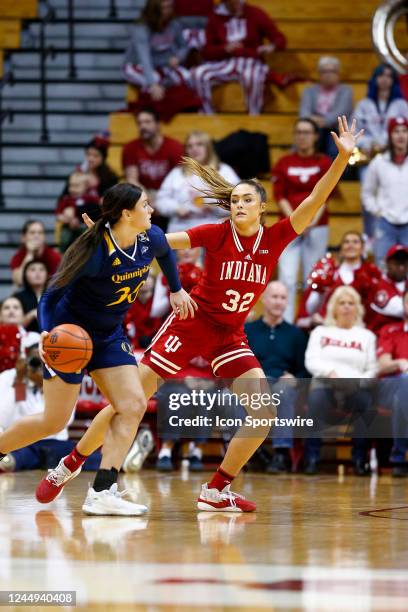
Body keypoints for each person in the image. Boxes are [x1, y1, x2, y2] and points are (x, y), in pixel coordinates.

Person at [37, 116, 364, 514]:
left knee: (263, 414)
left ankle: (215, 489)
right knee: (131, 400)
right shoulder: (216, 232)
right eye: (235, 199)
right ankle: (70, 463)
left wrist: (341, 159)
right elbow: (156, 239)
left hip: (230, 334)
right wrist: (108, 234)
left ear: (262, 207)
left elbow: (315, 199)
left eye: (247, 199)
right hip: (191, 321)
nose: (239, 204)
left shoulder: (277, 237)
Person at [0, 183, 196, 516]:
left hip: (108, 336)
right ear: (126, 214)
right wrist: (48, 334)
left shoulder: (152, 238)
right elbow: (49, 295)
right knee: (53, 420)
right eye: (146, 205)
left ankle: (102, 490)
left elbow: (165, 254)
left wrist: (176, 289)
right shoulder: (93, 252)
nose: (152, 210)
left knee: (133, 404)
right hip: (70, 337)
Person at [303, 286, 377, 475]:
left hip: (355, 386)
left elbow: (373, 368)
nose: (346, 307)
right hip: (326, 382)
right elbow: (311, 360)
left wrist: (356, 381)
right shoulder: (320, 332)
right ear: (334, 308)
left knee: (367, 404)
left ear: (358, 308)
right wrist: (330, 372)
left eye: (350, 303)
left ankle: (360, 459)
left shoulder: (367, 336)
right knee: (316, 400)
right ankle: (311, 458)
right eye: (341, 303)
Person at [272, 118, 333, 322]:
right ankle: (286, 322)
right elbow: (279, 196)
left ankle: (308, 321)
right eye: (298, 132)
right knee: (287, 277)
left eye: (307, 132)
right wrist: (296, 220)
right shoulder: (284, 163)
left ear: (315, 136)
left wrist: (310, 221)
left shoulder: (323, 162)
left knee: (313, 278)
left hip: (317, 226)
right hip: (288, 226)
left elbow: (325, 194)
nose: (302, 136)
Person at [245, 281, 309, 473]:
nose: (278, 302)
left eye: (283, 298)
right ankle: (251, 451)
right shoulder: (248, 331)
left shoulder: (296, 335)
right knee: (235, 394)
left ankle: (281, 454)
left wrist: (295, 378)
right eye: (274, 297)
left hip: (282, 382)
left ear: (287, 302)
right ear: (263, 299)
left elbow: (304, 370)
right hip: (255, 381)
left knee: (284, 390)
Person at [191, 0, 286, 115]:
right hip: (225, 62)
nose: (238, 4)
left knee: (251, 76)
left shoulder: (254, 13)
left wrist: (271, 46)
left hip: (250, 61)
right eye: (233, 2)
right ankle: (207, 113)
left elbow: (279, 38)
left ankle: (254, 115)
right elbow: (207, 52)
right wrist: (224, 49)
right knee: (198, 73)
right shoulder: (215, 17)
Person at [0, 341, 77, 473]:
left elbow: (64, 420)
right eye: (36, 362)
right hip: (21, 442)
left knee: (77, 453)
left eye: (45, 363)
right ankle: (10, 461)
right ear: (26, 361)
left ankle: (120, 463)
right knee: (23, 453)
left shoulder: (62, 379)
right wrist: (19, 383)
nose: (41, 367)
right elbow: (4, 419)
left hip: (55, 442)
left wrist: (44, 386)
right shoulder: (9, 377)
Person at [353, 63, 408, 243]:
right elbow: (354, 131)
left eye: (389, 76)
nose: (385, 79)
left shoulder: (401, 104)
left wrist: (386, 142)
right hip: (369, 158)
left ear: (394, 81)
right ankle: (370, 235)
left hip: (394, 155)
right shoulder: (364, 104)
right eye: (381, 75)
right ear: (374, 79)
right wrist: (368, 143)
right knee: (367, 195)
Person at [155, 130, 239, 232]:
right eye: (190, 146)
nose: (194, 149)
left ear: (208, 147)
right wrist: (176, 208)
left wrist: (216, 205)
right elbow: (161, 200)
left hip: (214, 229)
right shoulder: (177, 173)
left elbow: (237, 200)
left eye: (199, 144)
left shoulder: (224, 171)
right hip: (181, 230)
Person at [297, 231, 382, 329]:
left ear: (362, 249)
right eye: (346, 242)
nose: (350, 245)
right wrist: (319, 290)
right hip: (329, 326)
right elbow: (310, 309)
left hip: (361, 329)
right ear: (341, 249)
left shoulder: (372, 274)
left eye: (355, 242)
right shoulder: (329, 272)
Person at [122, 108, 184, 228]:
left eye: (147, 122)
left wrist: (161, 202)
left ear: (158, 124)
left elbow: (179, 180)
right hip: (142, 197)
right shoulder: (130, 148)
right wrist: (149, 200)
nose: (143, 126)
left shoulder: (175, 147)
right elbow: (132, 179)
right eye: (140, 123)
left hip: (169, 197)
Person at [361, 117, 408, 268]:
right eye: (396, 131)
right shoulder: (379, 162)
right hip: (385, 222)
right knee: (382, 264)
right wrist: (377, 211)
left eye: (404, 131)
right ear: (390, 135)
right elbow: (367, 193)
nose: (400, 135)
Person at [123, 0, 192, 98]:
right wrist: (152, 84)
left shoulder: (174, 24)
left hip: (162, 64)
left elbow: (184, 46)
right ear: (154, 10)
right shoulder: (142, 28)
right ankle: (145, 108)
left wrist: (178, 57)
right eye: (164, 8)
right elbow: (144, 58)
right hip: (135, 65)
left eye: (170, 7)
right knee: (155, 79)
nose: (168, 11)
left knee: (186, 76)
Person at [377, 289, 408, 477]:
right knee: (404, 383)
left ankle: (398, 457)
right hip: (392, 383)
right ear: (403, 304)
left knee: (401, 399)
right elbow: (383, 365)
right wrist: (399, 363)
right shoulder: (390, 330)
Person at [299, 56, 353, 157]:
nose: (328, 75)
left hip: (336, 130)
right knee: (305, 137)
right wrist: (315, 123)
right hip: (313, 130)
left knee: (334, 147)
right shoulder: (309, 91)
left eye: (332, 71)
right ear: (319, 74)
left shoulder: (346, 90)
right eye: (324, 71)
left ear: (338, 74)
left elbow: (342, 112)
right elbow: (304, 114)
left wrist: (321, 121)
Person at [366, 244, 408, 336]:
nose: (401, 266)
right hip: (380, 337)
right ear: (387, 263)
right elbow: (401, 309)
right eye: (396, 262)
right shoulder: (378, 285)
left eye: (404, 262)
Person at [56, 172, 101, 252]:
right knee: (64, 236)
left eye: (76, 186)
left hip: (84, 225)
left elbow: (98, 207)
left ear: (85, 187)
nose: (72, 189)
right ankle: (62, 252)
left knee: (88, 233)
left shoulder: (89, 198)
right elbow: (59, 214)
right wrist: (67, 219)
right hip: (69, 226)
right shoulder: (66, 199)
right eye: (71, 185)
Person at [10, 220, 61, 288]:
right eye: (32, 232)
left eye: (40, 233)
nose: (36, 236)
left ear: (44, 237)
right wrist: (30, 254)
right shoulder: (19, 256)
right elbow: (19, 281)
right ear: (23, 237)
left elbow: (57, 284)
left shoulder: (54, 256)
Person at [0, 297, 40, 373]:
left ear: (23, 314)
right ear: (0, 316)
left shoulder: (35, 337)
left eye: (16, 307)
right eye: (6, 308)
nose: (11, 311)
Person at [13, 259, 48, 333]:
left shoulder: (55, 295)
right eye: (32, 270)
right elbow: (14, 324)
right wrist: (31, 314)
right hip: (25, 339)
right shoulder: (17, 297)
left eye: (41, 269)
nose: (38, 273)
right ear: (25, 274)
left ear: (47, 274)